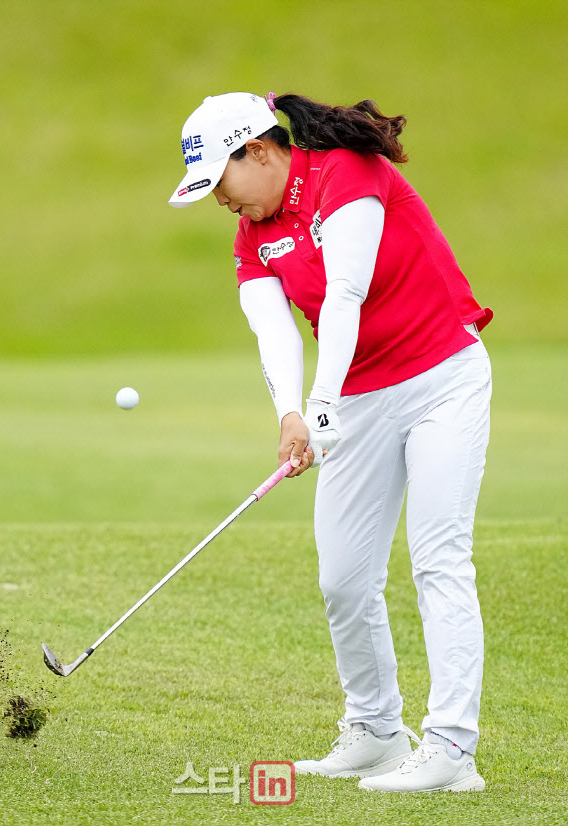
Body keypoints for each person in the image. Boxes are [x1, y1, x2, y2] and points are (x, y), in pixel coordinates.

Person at [169, 92, 492, 793]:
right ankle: (376, 732)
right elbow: (275, 332)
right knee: (343, 578)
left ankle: (451, 751)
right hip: (359, 394)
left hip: (443, 376)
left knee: (439, 559)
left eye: (219, 181)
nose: (219, 200)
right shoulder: (252, 234)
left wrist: (320, 406)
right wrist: (292, 414)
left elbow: (345, 292)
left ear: (257, 150)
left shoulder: (344, 172)